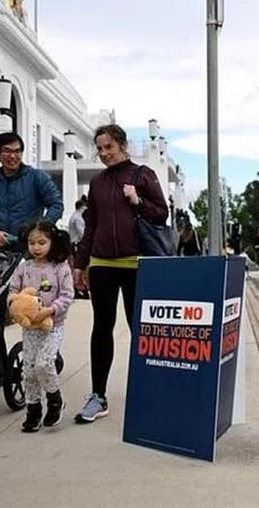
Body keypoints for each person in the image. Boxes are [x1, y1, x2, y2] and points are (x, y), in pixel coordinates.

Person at [71, 124, 169, 424]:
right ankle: (98, 396)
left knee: (140, 329)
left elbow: (162, 214)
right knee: (102, 328)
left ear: (123, 145)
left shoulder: (143, 175)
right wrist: (80, 263)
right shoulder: (97, 183)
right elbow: (91, 225)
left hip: (135, 264)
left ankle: (148, 389)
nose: (103, 153)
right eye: (99, 149)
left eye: (109, 147)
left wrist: (138, 200)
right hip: (102, 264)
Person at [7, 218, 75, 433]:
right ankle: (33, 409)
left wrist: (51, 309)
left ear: (52, 242)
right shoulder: (24, 267)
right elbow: (13, 291)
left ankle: (55, 400)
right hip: (30, 328)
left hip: (53, 326)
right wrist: (14, 305)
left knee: (44, 364)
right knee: (29, 370)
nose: (36, 247)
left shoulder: (60, 268)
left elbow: (67, 295)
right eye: (32, 243)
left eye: (41, 242)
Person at [0, 132, 64, 253]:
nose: (12, 156)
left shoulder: (38, 177)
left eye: (17, 151)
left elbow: (56, 205)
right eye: (7, 151)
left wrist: (40, 229)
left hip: (30, 247)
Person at [68, 198, 90, 299]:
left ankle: (78, 288)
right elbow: (82, 233)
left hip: (73, 244)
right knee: (80, 267)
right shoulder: (78, 218)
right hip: (78, 245)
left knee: (75, 267)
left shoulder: (73, 216)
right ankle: (81, 288)